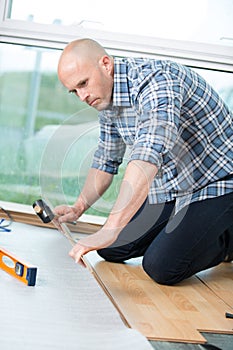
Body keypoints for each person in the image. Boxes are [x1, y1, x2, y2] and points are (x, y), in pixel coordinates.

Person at [55, 38, 233, 285]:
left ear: (105, 64)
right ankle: (190, 228)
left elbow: (148, 156)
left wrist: (111, 228)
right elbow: (106, 159)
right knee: (110, 249)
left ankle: (227, 241)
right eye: (75, 91)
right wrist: (79, 207)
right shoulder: (105, 99)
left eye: (84, 84)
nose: (82, 96)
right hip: (175, 185)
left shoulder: (157, 81)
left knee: (161, 265)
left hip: (218, 181)